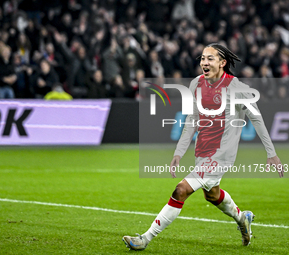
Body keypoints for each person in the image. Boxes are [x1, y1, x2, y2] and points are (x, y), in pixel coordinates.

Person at [122, 43, 284, 250]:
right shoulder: (196, 84)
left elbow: (257, 118)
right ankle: (243, 218)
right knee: (212, 195)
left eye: (210, 59)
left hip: (222, 154)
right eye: (202, 58)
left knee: (181, 190)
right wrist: (179, 152)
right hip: (203, 151)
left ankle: (144, 239)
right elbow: (192, 119)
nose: (204, 63)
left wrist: (272, 153)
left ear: (223, 63)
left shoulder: (236, 88)